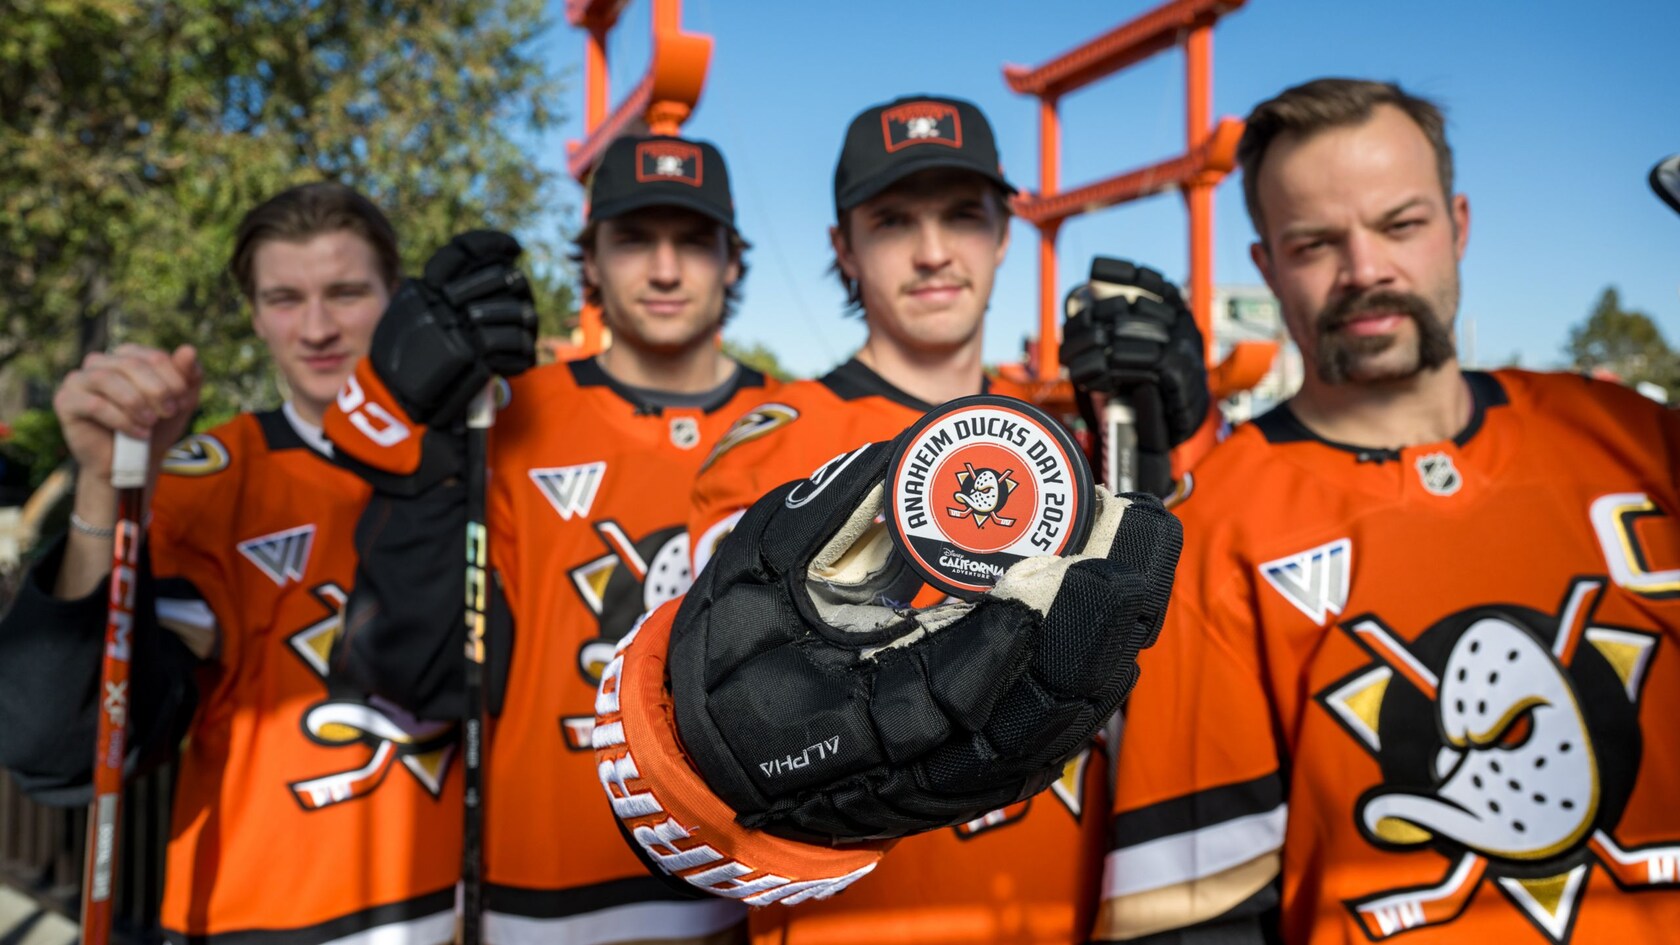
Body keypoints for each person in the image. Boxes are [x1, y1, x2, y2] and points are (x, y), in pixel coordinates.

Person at [596, 95, 1201, 945]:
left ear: (1004, 230)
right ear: (843, 247)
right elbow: (710, 739)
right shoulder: (776, 445)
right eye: (892, 221)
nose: (931, 251)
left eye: (962, 215)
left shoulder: (1077, 439)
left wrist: (1161, 452)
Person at [1098, 78, 1680, 944]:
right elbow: (1192, 913)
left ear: (1460, 224)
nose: (1366, 269)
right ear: (1266, 264)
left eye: (1401, 225)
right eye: (1315, 242)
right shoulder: (1213, 527)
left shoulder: (1643, 441)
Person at [322, 134, 777, 943]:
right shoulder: (499, 407)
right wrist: (411, 438)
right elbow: (409, 666)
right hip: (540, 893)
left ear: (732, 261)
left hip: (750, 887)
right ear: (590, 261)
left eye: (693, 242)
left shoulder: (798, 423)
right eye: (634, 239)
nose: (665, 270)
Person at [0, 183, 466, 944]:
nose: (316, 327)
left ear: (395, 297)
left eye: (346, 292)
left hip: (456, 907)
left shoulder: (473, 460)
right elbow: (60, 745)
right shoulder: (205, 477)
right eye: (284, 297)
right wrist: (104, 483)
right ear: (253, 314)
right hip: (261, 914)